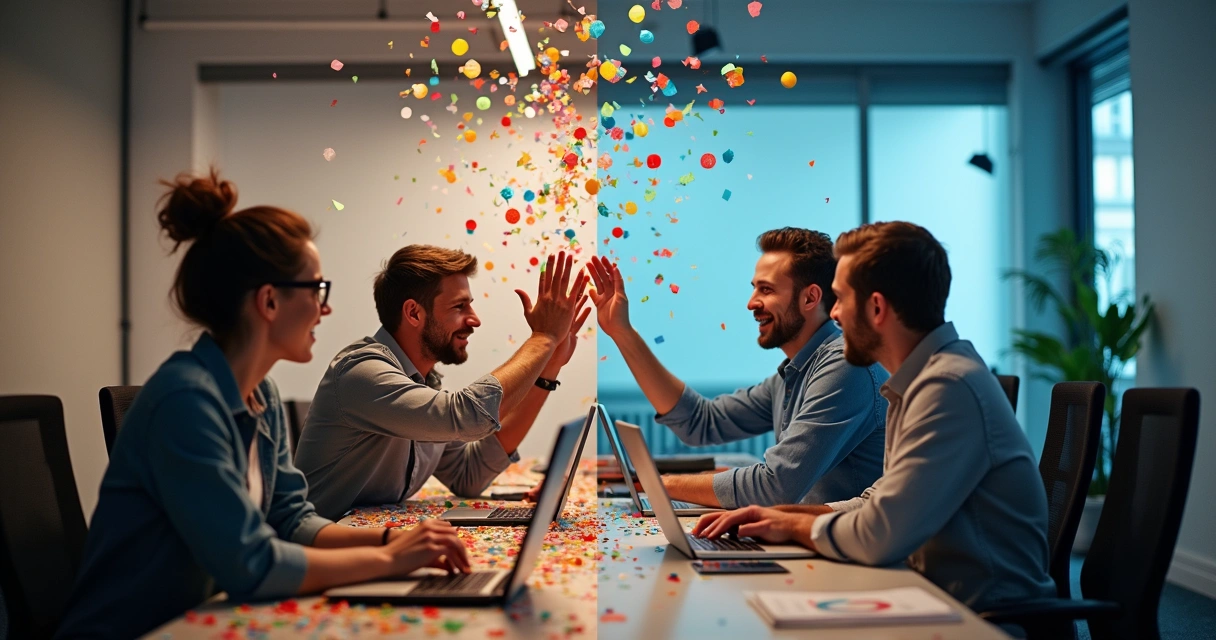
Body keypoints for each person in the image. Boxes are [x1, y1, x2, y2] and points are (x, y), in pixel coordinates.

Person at [56, 171, 471, 639]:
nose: (324, 308)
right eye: (316, 290)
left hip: (206, 619)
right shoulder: (185, 403)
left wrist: (392, 541)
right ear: (270, 301)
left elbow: (290, 518)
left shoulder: (261, 393)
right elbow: (251, 563)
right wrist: (388, 559)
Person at [693, 221, 1055, 611]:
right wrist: (777, 516)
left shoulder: (947, 387)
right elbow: (877, 502)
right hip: (932, 600)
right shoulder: (920, 380)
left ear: (877, 308)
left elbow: (879, 533)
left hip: (983, 621)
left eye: (840, 299)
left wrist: (792, 524)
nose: (833, 315)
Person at [586, 228, 887, 509]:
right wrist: (622, 332)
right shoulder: (793, 374)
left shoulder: (847, 366)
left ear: (810, 297)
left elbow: (776, 485)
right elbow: (700, 422)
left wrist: (659, 484)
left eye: (766, 290)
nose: (751, 303)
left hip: (847, 557)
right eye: (755, 289)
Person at [293, 245, 589, 520]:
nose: (474, 320)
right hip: (322, 558)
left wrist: (548, 370)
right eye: (460, 307)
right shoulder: (362, 373)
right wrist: (543, 338)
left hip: (368, 547)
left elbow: (468, 474)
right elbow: (467, 417)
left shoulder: (422, 386)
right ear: (413, 313)